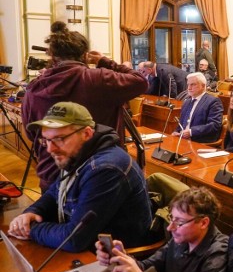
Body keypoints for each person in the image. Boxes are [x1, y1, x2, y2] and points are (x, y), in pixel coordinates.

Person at [21, 21, 148, 191]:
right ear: (84, 55)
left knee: (55, 217)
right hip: (99, 175)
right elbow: (140, 81)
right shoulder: (99, 79)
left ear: (52, 56)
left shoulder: (34, 87)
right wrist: (104, 60)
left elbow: (31, 133)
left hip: (53, 175)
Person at [9, 102, 151, 251]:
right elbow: (54, 192)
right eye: (46, 140)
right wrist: (33, 212)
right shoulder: (77, 153)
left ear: (87, 133)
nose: (50, 149)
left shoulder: (107, 168)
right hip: (88, 247)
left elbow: (74, 239)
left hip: (115, 259)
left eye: (59, 139)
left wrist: (31, 229)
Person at [96, 187, 228, 272]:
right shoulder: (181, 238)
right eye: (172, 218)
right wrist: (122, 257)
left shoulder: (217, 255)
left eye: (180, 222)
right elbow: (147, 267)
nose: (170, 228)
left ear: (203, 223)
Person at [173, 72, 224, 143]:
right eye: (188, 85)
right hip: (182, 140)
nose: (189, 88)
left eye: (193, 84)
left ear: (203, 86)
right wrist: (176, 132)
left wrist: (191, 132)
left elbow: (214, 125)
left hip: (200, 141)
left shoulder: (213, 101)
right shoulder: (187, 102)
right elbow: (181, 124)